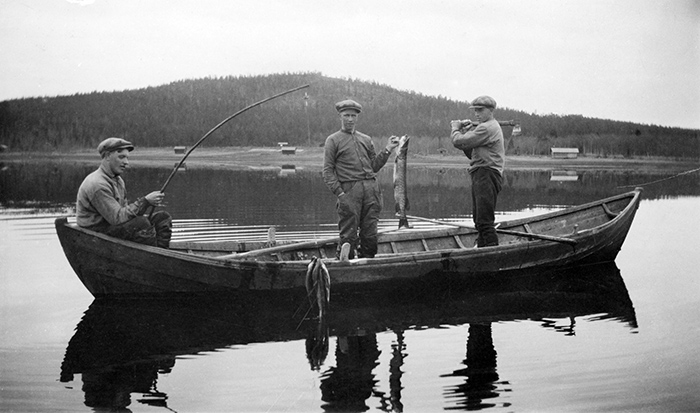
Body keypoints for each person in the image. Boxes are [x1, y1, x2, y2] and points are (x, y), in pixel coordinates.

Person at [323, 99, 399, 259]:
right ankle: (345, 267)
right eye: (346, 115)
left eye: (353, 116)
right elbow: (328, 172)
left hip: (372, 191)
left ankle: (367, 266)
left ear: (357, 118)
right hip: (349, 192)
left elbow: (374, 166)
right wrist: (341, 194)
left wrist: (388, 149)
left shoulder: (366, 139)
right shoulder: (333, 140)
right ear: (340, 116)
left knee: (370, 235)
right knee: (348, 236)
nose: (350, 119)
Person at [76, 137, 172, 248]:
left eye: (127, 158)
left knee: (163, 218)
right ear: (107, 156)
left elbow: (125, 214)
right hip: (96, 234)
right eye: (121, 157)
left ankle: (161, 254)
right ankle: (151, 257)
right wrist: (145, 202)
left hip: (113, 227)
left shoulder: (118, 181)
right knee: (142, 223)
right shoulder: (97, 184)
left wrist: (146, 204)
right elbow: (117, 218)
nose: (126, 162)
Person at [450, 95, 505, 247]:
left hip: (487, 174)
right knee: (479, 221)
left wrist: (455, 129)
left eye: (480, 110)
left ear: (491, 111)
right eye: (475, 110)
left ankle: (491, 255)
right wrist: (466, 132)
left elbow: (458, 141)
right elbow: (469, 151)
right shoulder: (485, 128)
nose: (476, 114)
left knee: (484, 221)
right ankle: (483, 249)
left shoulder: (487, 127)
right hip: (481, 174)